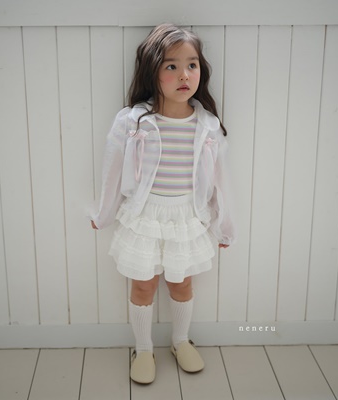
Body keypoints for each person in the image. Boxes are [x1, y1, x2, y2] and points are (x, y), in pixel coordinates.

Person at [89, 23, 236, 384]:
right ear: (151, 71)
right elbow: (112, 171)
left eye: (192, 65)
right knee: (143, 286)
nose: (184, 75)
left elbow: (220, 182)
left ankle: (180, 340)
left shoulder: (207, 125)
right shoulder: (133, 121)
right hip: (145, 216)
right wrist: (103, 214)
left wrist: (224, 226)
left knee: (181, 284)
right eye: (172, 66)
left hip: (186, 217)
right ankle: (143, 348)